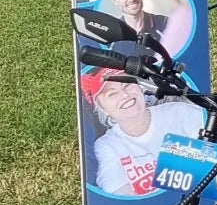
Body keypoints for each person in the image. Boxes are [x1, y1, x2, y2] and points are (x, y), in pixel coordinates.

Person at [83, 68, 204, 196]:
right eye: (112, 94)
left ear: (139, 87)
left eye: (127, 85)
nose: (124, 95)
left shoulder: (180, 112)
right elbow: (118, 194)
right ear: (103, 109)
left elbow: (216, 155)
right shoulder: (106, 145)